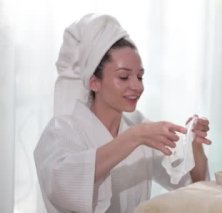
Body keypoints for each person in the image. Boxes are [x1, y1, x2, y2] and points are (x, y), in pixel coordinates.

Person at [34, 13, 211, 213]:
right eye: (124, 76)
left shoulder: (137, 125)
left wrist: (195, 145)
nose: (137, 86)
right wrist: (135, 137)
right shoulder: (60, 132)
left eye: (140, 76)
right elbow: (64, 184)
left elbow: (191, 186)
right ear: (94, 82)